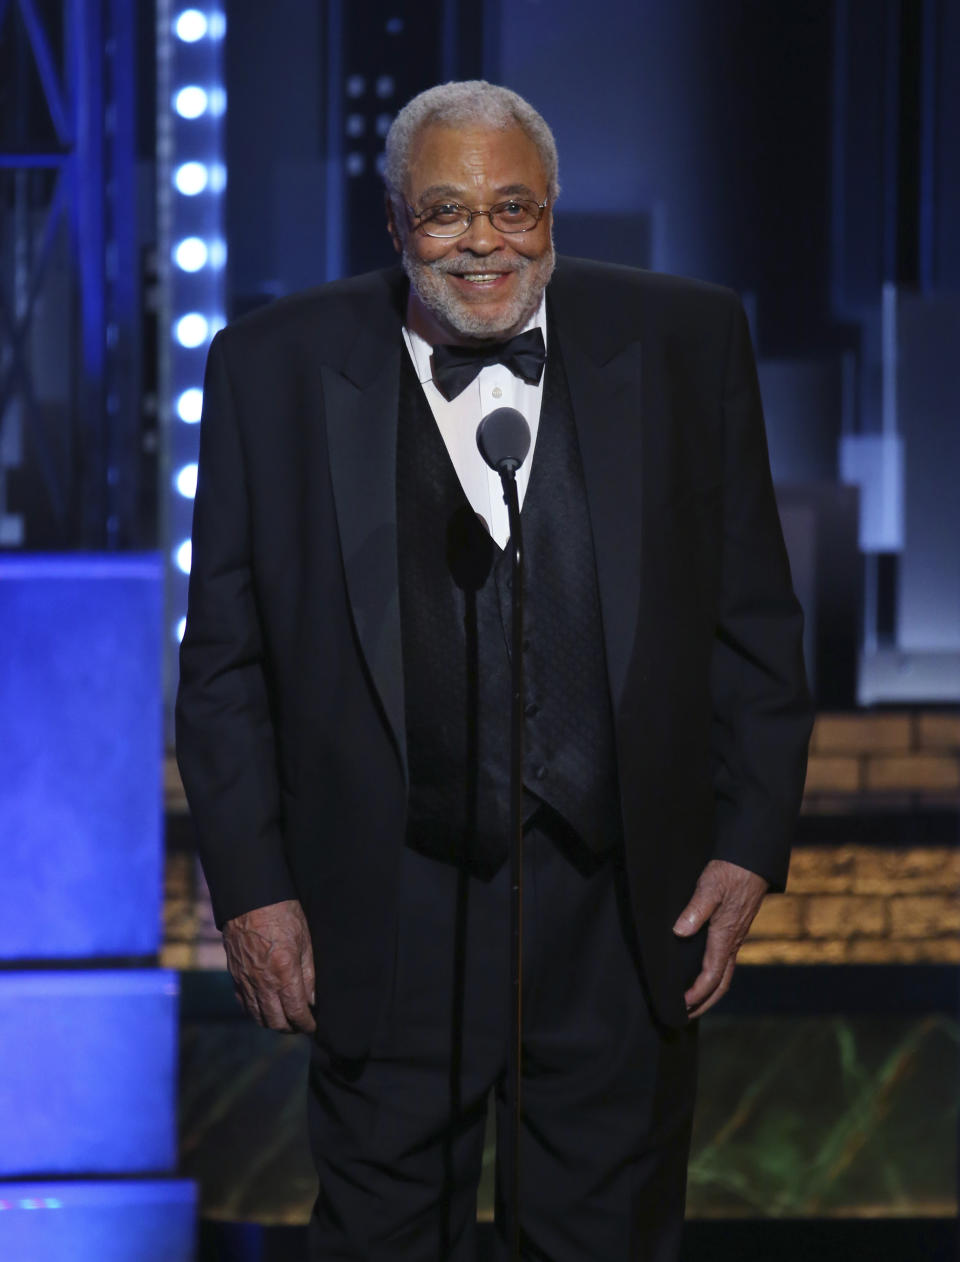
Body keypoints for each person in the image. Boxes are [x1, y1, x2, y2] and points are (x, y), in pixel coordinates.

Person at [176, 80, 813, 1261]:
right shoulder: (270, 366)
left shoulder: (683, 340)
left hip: (616, 907)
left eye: (513, 208)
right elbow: (222, 661)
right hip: (384, 907)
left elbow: (758, 621)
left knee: (605, 1237)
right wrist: (255, 891)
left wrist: (747, 842)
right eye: (447, 211)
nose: (483, 240)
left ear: (554, 215)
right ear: (394, 226)